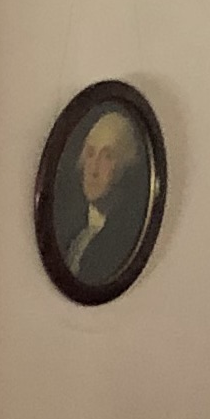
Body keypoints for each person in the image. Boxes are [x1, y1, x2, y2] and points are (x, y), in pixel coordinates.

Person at [61, 104, 155, 286]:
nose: (93, 169)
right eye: (90, 154)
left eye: (107, 156)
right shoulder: (71, 228)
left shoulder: (124, 240)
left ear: (125, 168)